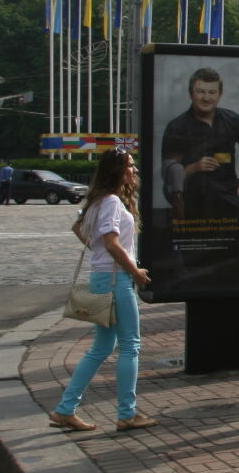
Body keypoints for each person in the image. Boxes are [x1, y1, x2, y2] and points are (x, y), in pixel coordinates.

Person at [48, 150, 158, 433]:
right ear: (117, 172)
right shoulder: (110, 202)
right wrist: (134, 271)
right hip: (115, 279)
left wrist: (97, 251)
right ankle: (127, 413)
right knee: (130, 345)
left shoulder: (97, 201)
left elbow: (80, 228)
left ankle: (65, 409)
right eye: (130, 167)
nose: (134, 171)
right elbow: (110, 242)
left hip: (102, 277)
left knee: (102, 346)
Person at [158, 67, 239, 219]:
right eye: (200, 92)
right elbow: (170, 175)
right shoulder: (177, 126)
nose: (206, 98)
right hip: (194, 196)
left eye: (212, 92)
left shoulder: (233, 120)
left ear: (220, 95)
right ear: (191, 94)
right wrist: (194, 167)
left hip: (228, 190)